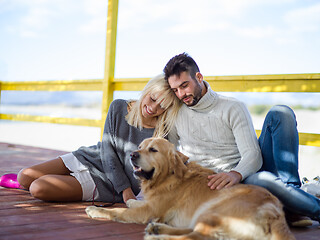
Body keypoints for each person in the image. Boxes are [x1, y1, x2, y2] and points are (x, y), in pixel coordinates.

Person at [164, 52, 320, 226]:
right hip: (213, 185)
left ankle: (293, 194)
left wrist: (236, 173)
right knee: (264, 180)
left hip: (243, 173)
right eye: (175, 90)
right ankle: (297, 207)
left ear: (199, 77)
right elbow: (168, 153)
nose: (181, 94)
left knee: (281, 113)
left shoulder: (232, 107)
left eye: (184, 86)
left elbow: (252, 154)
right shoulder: (176, 114)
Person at [17, 74, 181, 204]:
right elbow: (108, 150)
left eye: (162, 106)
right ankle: (66, 179)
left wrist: (125, 191)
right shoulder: (118, 107)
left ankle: (68, 182)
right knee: (23, 177)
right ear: (147, 90)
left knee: (38, 188)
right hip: (92, 157)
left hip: (106, 184)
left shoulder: (163, 132)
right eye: (152, 99)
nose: (153, 108)